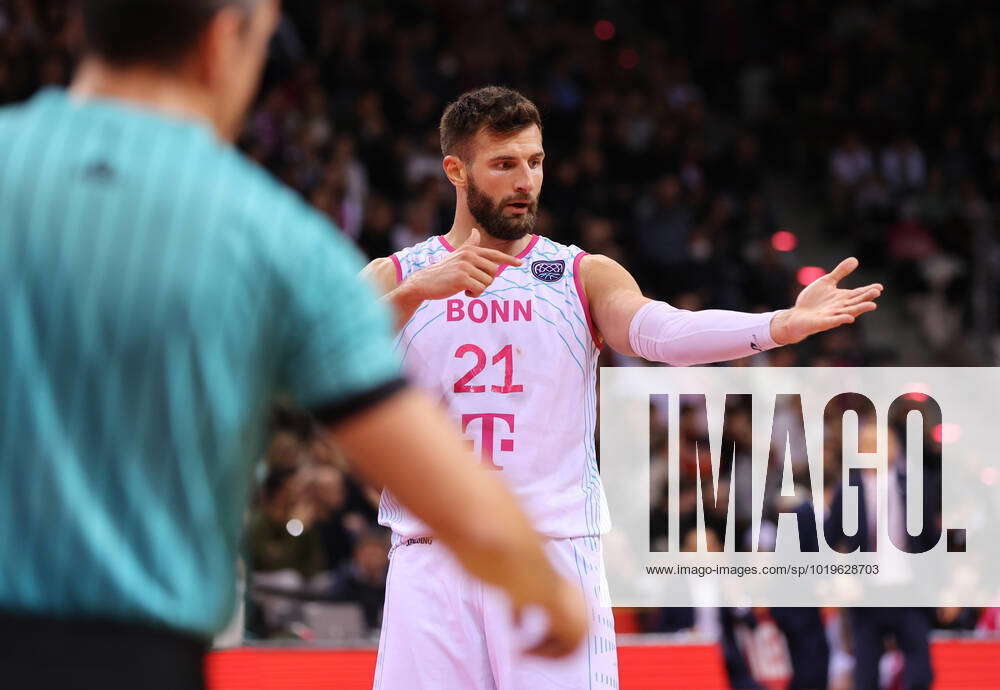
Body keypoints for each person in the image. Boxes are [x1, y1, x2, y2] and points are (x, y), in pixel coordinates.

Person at [0, 6, 585, 689]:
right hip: (138, 652)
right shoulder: (271, 236)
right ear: (225, 40)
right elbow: (425, 466)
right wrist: (541, 585)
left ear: (84, 29)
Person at [363, 85, 884, 689]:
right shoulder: (396, 275)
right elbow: (315, 361)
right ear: (455, 170)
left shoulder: (580, 273)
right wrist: (413, 294)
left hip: (549, 549)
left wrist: (774, 325)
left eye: (534, 162)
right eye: (504, 164)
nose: (525, 180)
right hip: (432, 556)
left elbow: (662, 331)